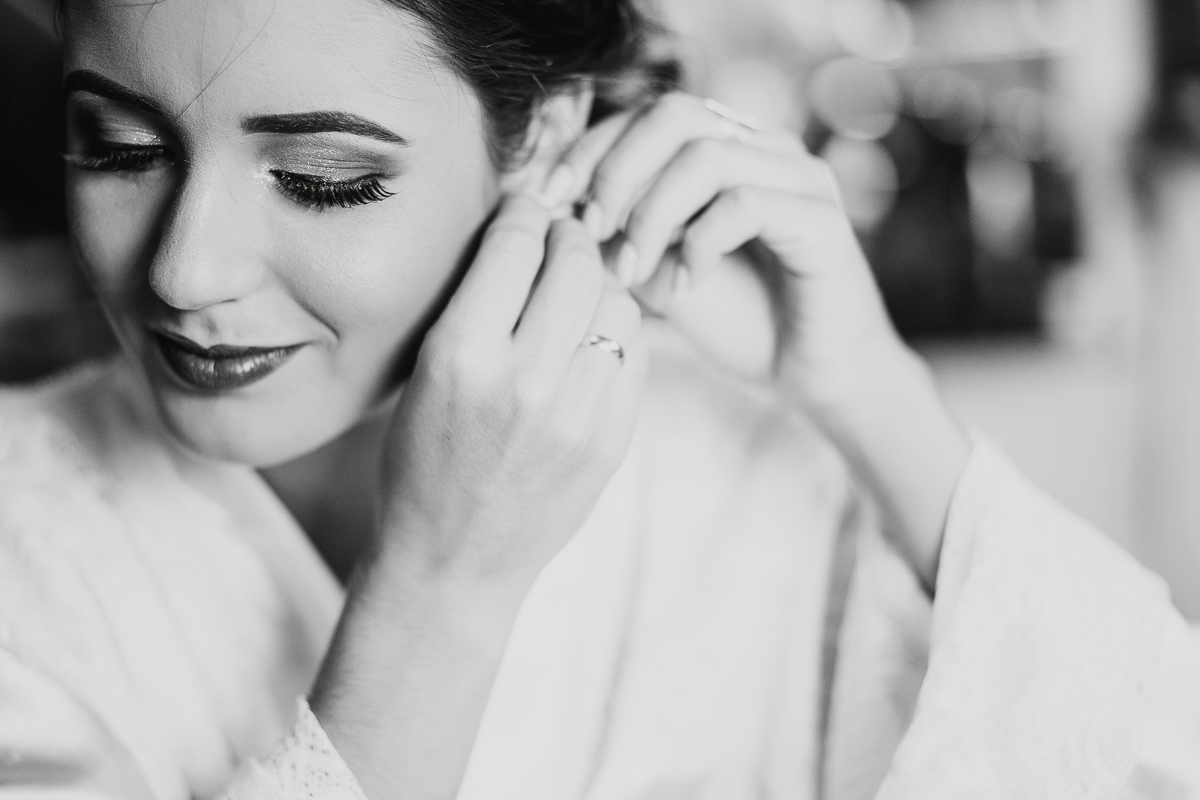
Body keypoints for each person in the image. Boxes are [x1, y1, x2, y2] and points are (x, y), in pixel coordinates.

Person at [1, 0, 1197, 797]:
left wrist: (875, 395)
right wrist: (436, 597)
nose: (183, 270)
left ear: (542, 135)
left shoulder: (756, 475)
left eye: (322, 179)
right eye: (116, 147)